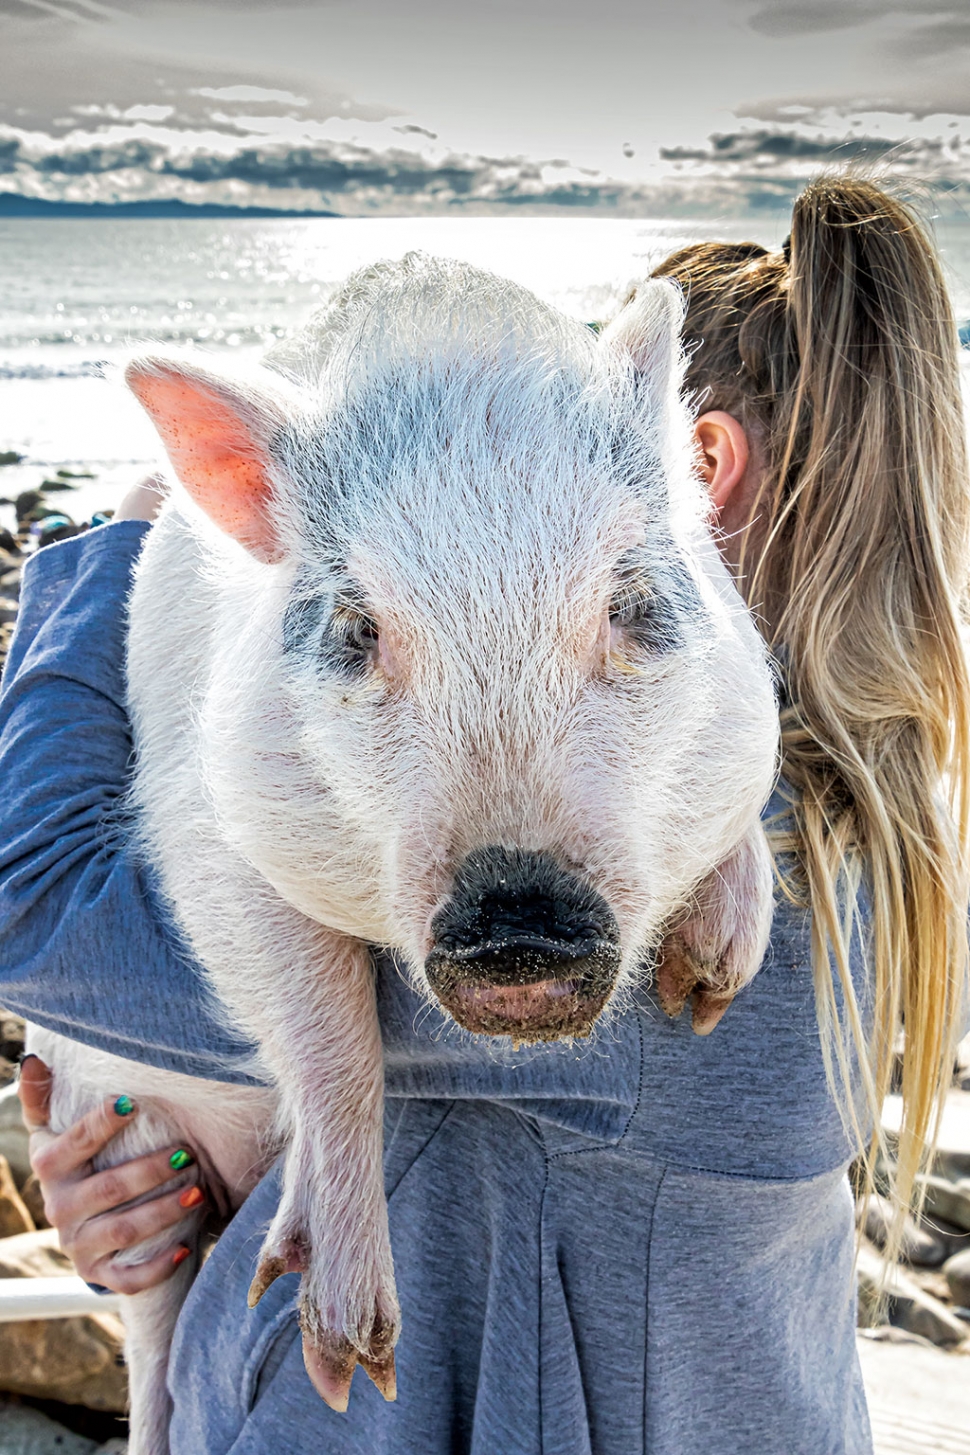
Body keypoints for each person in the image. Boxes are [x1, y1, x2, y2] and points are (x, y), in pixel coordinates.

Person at [2, 176, 968, 1455]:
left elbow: (40, 902)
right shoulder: (854, 826)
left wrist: (118, 547)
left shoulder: (687, 918)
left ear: (696, 467)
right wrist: (152, 1181)